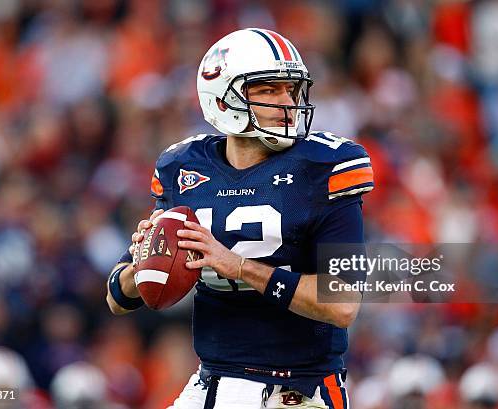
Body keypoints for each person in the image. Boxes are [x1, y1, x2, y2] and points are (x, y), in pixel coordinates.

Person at [106, 28, 374, 408]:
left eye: (290, 89)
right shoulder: (183, 167)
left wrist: (240, 267)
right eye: (268, 90)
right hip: (212, 382)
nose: (287, 101)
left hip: (298, 390)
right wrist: (145, 266)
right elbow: (118, 297)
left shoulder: (325, 166)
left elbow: (342, 303)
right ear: (223, 97)